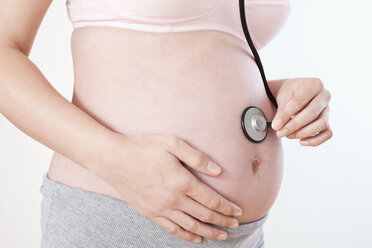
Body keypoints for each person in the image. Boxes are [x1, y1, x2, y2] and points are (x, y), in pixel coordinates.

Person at [0, 0, 332, 247]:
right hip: (120, 217)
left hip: (243, 235)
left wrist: (283, 99)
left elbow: (205, 58)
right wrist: (115, 157)